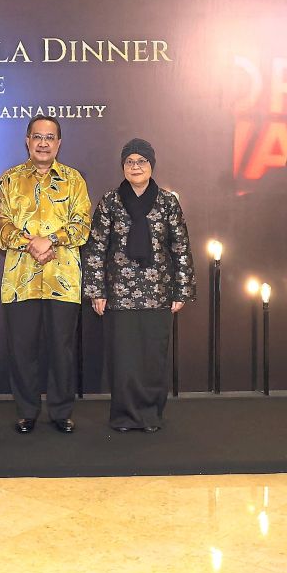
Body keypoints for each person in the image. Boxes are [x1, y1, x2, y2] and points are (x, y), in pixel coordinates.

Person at [83, 138, 196, 432]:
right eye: (130, 162)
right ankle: (124, 417)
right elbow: (96, 248)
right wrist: (96, 291)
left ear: (151, 165)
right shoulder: (110, 201)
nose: (136, 167)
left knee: (152, 359)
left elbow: (181, 247)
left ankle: (150, 416)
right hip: (118, 294)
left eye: (141, 161)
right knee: (124, 359)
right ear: (123, 166)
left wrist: (181, 290)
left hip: (158, 293)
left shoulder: (168, 201)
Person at [0, 115, 91, 434]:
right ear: (27, 140)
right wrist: (29, 243)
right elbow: (1, 226)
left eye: (50, 138)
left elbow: (82, 226)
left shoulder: (74, 180)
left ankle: (61, 412)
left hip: (62, 281)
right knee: (22, 350)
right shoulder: (9, 179)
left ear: (59, 144)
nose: (43, 143)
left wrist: (50, 239)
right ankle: (27, 411)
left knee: (61, 350)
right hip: (20, 282)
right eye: (37, 137)